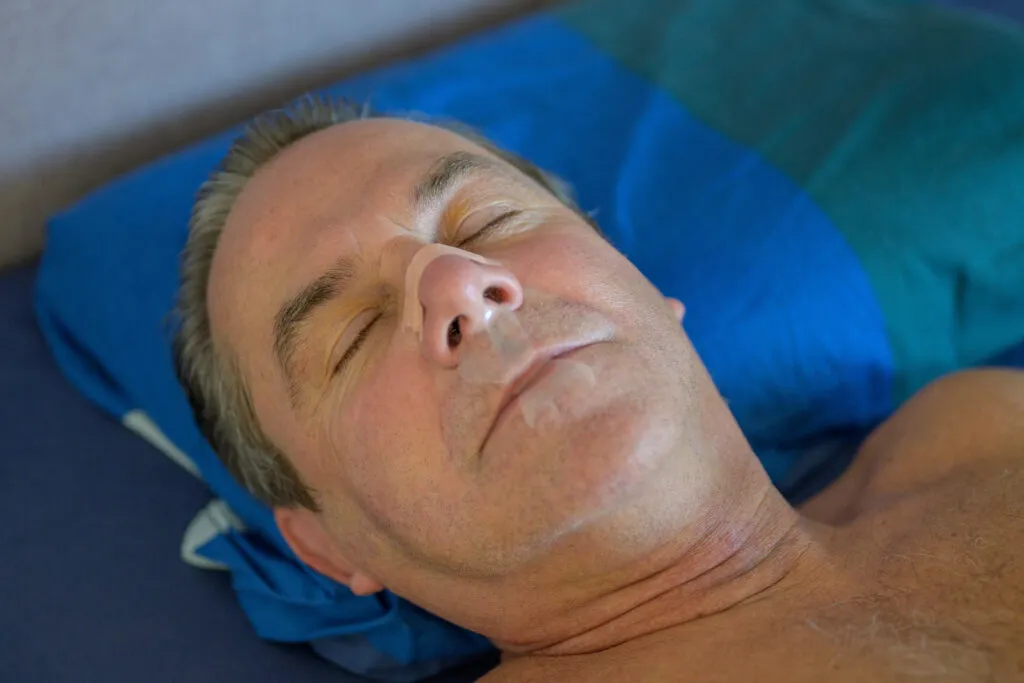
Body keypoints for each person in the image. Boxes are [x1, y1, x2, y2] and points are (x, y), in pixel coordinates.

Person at [173, 97, 1024, 681]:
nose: (461, 284)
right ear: (326, 546)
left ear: (648, 289)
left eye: (487, 224)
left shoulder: (979, 427)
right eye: (352, 336)